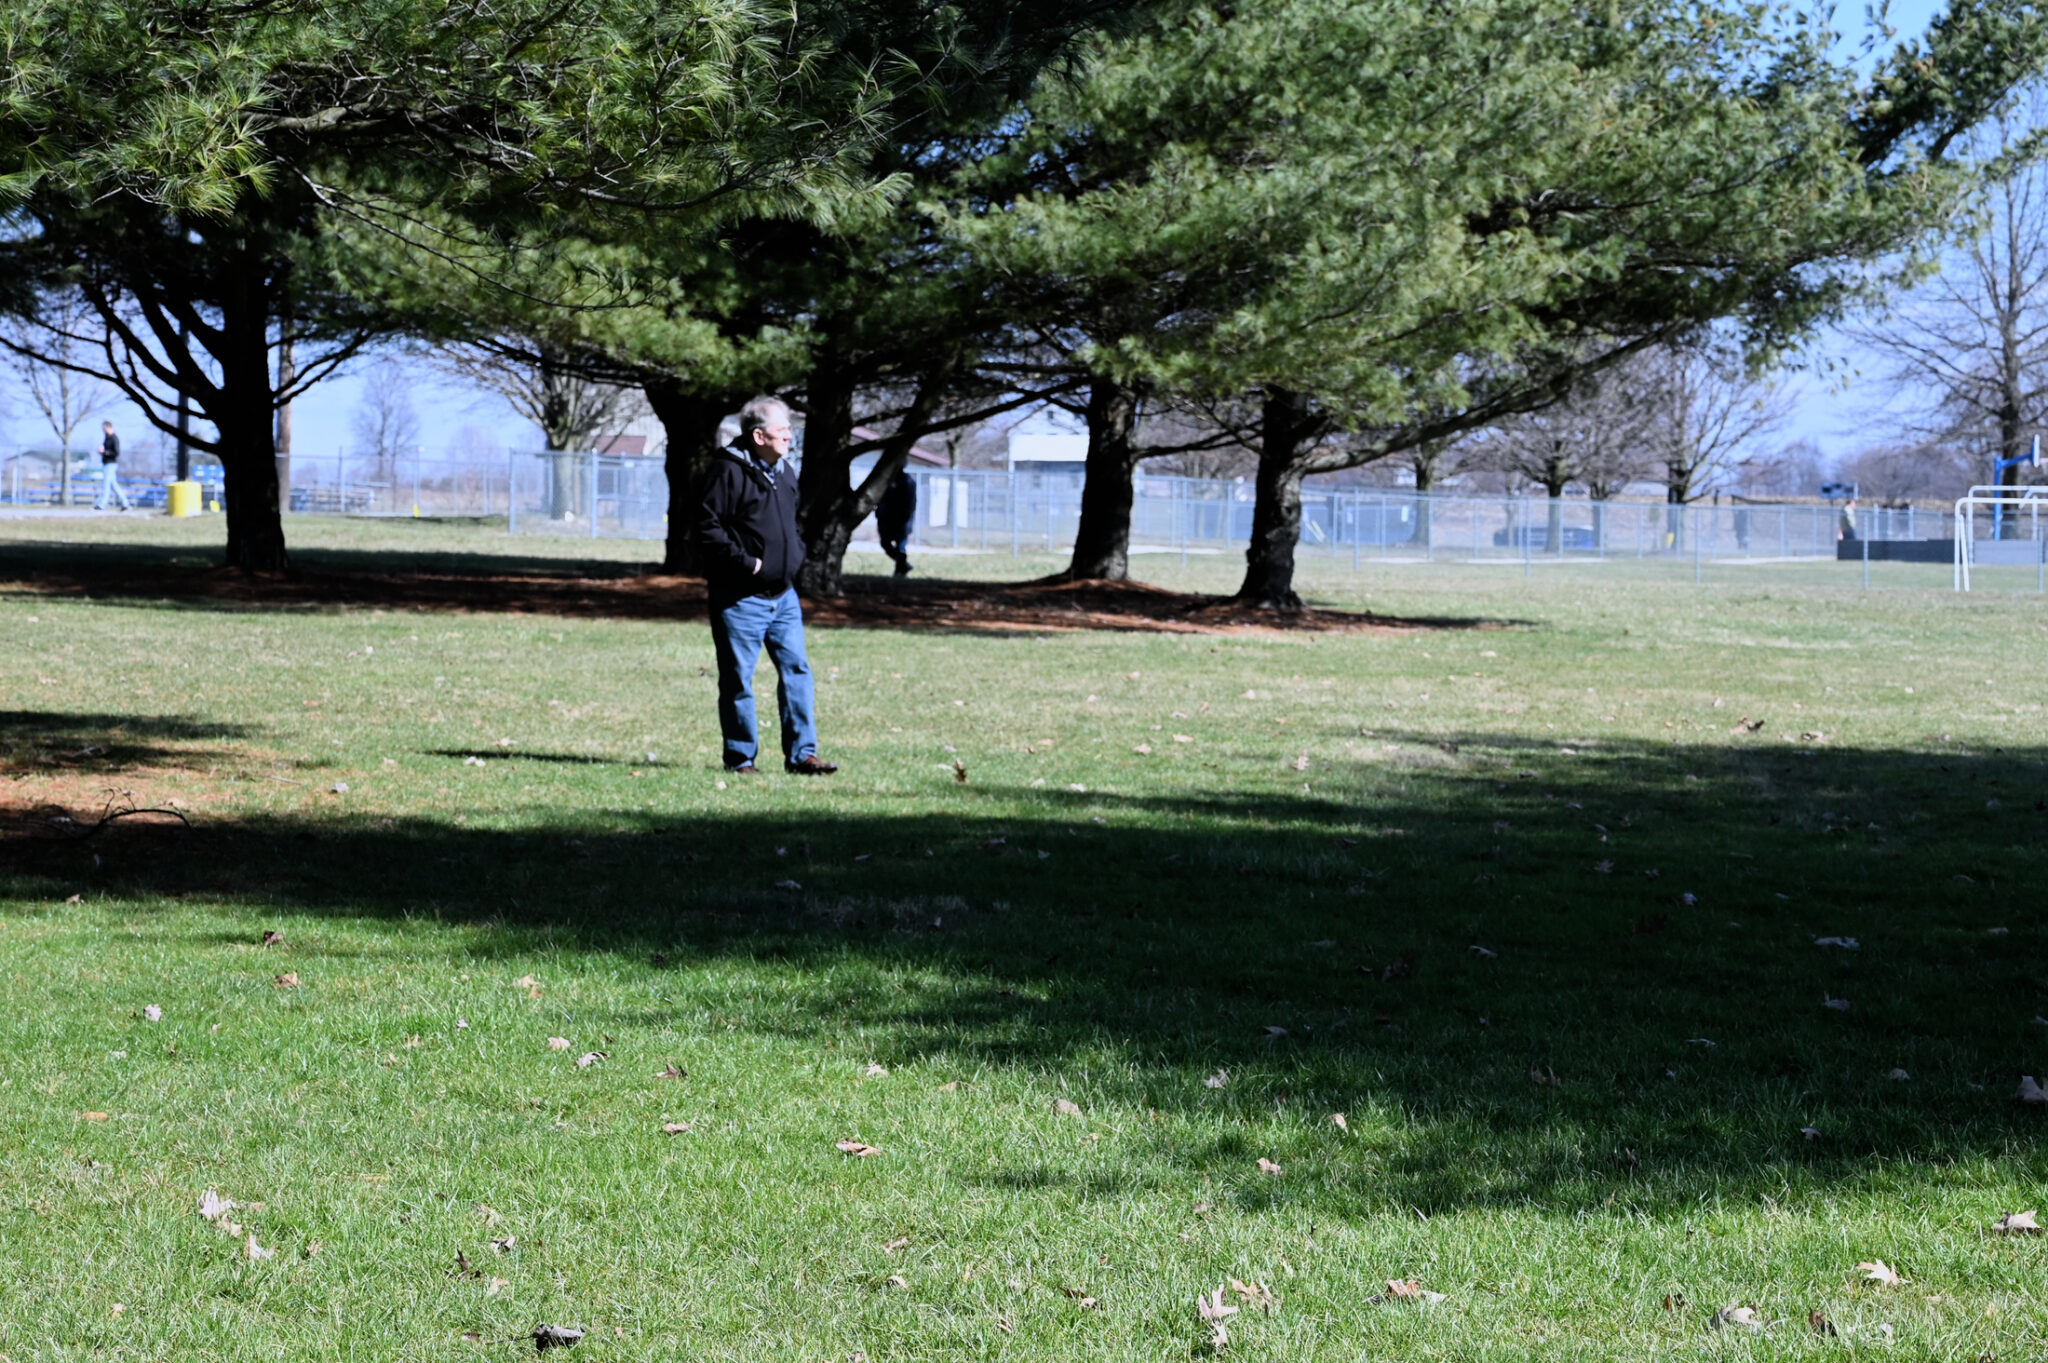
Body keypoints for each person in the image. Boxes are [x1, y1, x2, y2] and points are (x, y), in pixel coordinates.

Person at [694, 397, 837, 776]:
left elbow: (792, 524)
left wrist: (794, 556)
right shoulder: (727, 471)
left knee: (797, 672)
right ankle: (741, 759)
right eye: (782, 430)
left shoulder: (784, 471)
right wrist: (749, 564)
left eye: (789, 429)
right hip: (740, 598)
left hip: (784, 597)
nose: (790, 436)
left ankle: (803, 756)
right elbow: (708, 529)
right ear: (759, 436)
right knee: (738, 679)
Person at [876, 466, 917, 577]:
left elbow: (910, 503)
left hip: (902, 520)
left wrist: (906, 517)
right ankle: (903, 565)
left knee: (900, 546)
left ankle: (900, 571)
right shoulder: (886, 481)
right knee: (885, 544)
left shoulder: (907, 481)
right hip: (887, 519)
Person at [93, 420, 132, 511]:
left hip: (110, 465)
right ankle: (125, 503)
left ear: (109, 427)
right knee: (114, 485)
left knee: (106, 485)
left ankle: (102, 505)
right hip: (106, 464)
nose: (103, 430)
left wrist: (105, 452)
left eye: (104, 428)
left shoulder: (114, 438)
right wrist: (102, 452)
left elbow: (117, 453)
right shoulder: (107, 438)